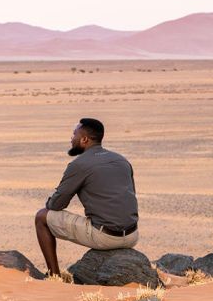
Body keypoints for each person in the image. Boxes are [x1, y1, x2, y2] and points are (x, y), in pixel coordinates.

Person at [34, 118, 139, 276]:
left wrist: (51, 200)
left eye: (74, 134)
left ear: (84, 139)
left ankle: (53, 276)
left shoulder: (79, 164)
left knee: (41, 217)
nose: (71, 138)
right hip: (132, 236)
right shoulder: (122, 160)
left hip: (105, 237)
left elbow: (56, 205)